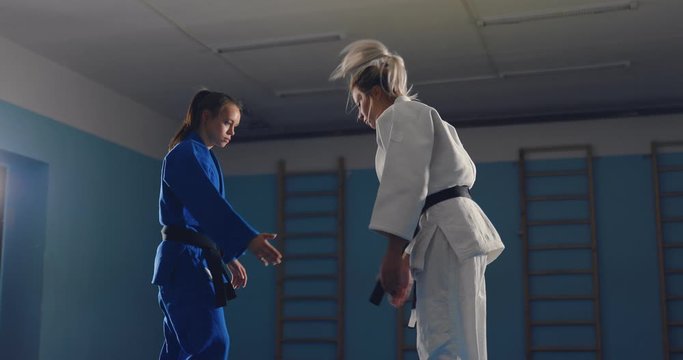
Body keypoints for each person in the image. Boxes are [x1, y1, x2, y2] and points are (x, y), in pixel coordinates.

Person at [330, 40, 504, 360]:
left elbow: (408, 184)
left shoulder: (400, 115)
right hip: (450, 228)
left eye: (359, 102)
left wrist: (394, 253)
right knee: (456, 334)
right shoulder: (416, 117)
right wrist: (408, 257)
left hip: (446, 230)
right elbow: (423, 189)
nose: (360, 114)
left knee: (445, 335)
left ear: (376, 94)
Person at [151, 90, 282, 360]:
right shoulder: (184, 154)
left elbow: (202, 219)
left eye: (234, 126)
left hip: (193, 259)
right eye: (227, 123)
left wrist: (226, 256)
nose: (232, 131)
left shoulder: (204, 156)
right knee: (213, 344)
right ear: (206, 116)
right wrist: (248, 239)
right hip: (184, 263)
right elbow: (208, 206)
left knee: (179, 350)